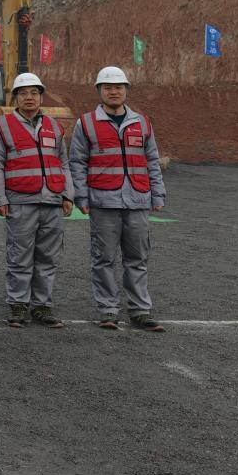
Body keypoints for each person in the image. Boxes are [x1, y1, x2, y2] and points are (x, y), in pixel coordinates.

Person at [69, 66, 167, 332]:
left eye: (119, 87)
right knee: (103, 258)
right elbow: (77, 162)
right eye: (108, 88)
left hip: (137, 200)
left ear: (126, 90)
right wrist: (81, 197)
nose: (114, 92)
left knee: (138, 258)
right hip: (103, 201)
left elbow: (152, 161)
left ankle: (140, 310)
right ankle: (108, 310)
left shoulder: (142, 123)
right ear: (99, 91)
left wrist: (157, 193)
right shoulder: (86, 123)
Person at [0, 73, 73, 329]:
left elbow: (63, 163)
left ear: (41, 97)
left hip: (52, 201)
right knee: (20, 256)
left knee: (48, 257)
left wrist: (68, 194)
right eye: (23, 93)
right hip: (20, 201)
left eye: (34, 93)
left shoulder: (54, 127)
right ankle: (18, 304)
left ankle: (41, 306)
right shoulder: (3, 126)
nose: (29, 98)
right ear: (15, 98)